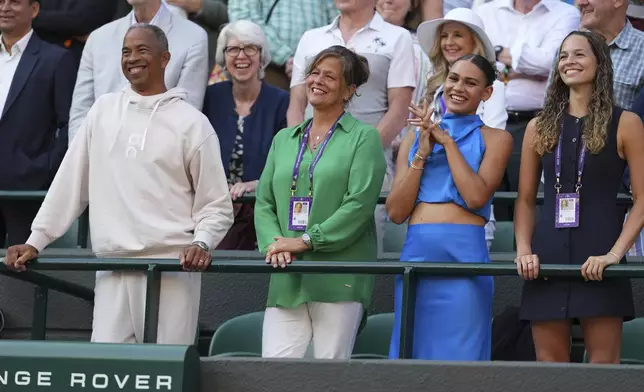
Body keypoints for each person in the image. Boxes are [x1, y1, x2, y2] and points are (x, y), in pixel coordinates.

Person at [3, 24, 234, 345]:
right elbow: (70, 182)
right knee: (109, 372)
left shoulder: (192, 123)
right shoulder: (102, 111)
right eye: (126, 51)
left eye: (142, 50)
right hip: (111, 265)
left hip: (171, 270)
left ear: (165, 58)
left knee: (165, 374)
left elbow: (216, 205)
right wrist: (36, 240)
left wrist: (203, 242)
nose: (132, 58)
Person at [515, 31, 644, 363]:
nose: (568, 62)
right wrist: (524, 251)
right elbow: (526, 199)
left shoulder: (626, 122)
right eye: (562, 56)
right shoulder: (538, 126)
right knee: (551, 374)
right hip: (546, 261)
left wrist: (614, 255)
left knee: (603, 372)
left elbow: (642, 198)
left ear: (600, 62)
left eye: (579, 54)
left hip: (600, 258)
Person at [254, 45, 386, 359]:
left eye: (330, 76)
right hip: (288, 273)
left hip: (338, 275)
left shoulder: (364, 138)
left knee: (328, 374)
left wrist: (304, 241)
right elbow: (263, 201)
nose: (318, 81)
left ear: (349, 90)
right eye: (314, 73)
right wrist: (276, 245)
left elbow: (359, 205)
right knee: (276, 371)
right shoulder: (284, 139)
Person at [386, 54, 512, 360]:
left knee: (462, 361)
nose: (458, 87)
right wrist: (422, 154)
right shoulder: (415, 138)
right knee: (411, 356)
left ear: (487, 93)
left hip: (464, 257)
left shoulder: (497, 138)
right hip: (418, 254)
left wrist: (449, 143)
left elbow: (475, 198)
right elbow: (396, 212)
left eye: (471, 82)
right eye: (454, 78)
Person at [288, 0, 416, 256]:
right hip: (310, 163)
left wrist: (357, 154)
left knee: (360, 250)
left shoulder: (398, 37)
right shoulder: (311, 38)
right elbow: (296, 106)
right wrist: (302, 153)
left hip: (367, 164)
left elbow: (399, 110)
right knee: (302, 242)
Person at [416, 7, 508, 248]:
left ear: (474, 42)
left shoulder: (495, 90)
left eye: (457, 35)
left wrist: (446, 142)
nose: (449, 42)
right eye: (444, 36)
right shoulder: (435, 87)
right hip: (430, 206)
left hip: (470, 206)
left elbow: (490, 141)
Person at [68, 0, 209, 144]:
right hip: (100, 156)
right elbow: (80, 113)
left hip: (159, 157)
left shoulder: (193, 37)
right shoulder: (98, 38)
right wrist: (83, 161)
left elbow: (187, 116)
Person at [203, 20, 289, 250]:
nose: (241, 56)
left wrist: (257, 184)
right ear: (224, 57)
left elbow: (288, 162)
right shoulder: (209, 98)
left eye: (250, 48)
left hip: (262, 212)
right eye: (233, 49)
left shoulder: (281, 102)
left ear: (262, 57)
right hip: (214, 212)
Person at [0, 0, 77, 246]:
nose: (5, 8)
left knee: (23, 274)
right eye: (1, 1)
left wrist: (44, 169)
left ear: (34, 9)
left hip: (26, 189)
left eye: (15, 2)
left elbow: (69, 124)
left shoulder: (55, 58)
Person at [228, 0, 338, 90]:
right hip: (268, 68)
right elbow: (244, 21)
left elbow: (338, 23)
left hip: (317, 71)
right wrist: (286, 57)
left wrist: (314, 62)